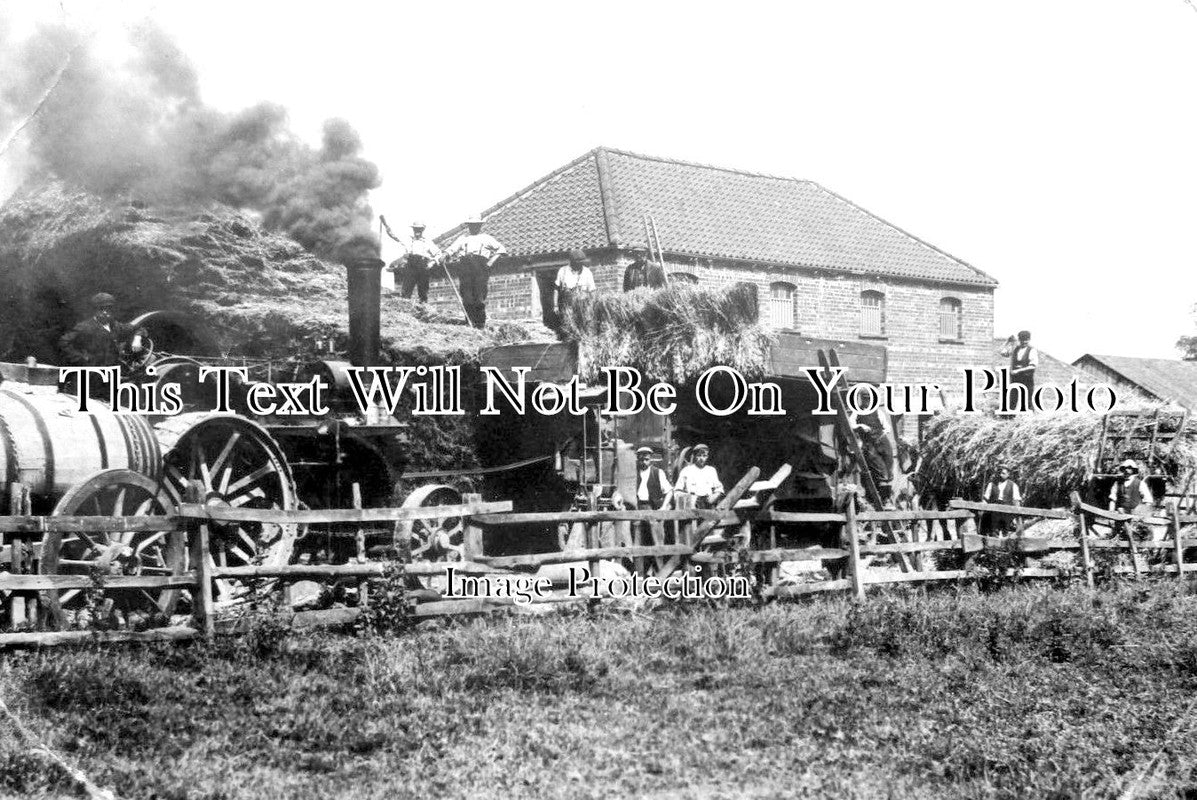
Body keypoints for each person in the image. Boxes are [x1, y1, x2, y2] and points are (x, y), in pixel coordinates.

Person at [444, 214, 507, 328]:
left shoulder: (486, 238)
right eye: (471, 225)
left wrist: (491, 261)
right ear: (468, 226)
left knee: (479, 296)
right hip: (465, 266)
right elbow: (451, 249)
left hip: (480, 267)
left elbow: (501, 249)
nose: (474, 227)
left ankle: (480, 324)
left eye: (476, 225)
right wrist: (445, 255)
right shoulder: (463, 238)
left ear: (480, 225)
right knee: (467, 296)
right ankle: (469, 322)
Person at [58, 292, 146, 367]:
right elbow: (64, 342)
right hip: (93, 373)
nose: (105, 312)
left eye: (108, 309)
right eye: (101, 309)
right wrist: (81, 358)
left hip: (113, 372)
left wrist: (137, 339)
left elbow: (139, 328)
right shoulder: (84, 327)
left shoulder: (116, 326)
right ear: (95, 310)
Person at [387, 221, 442, 303]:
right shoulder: (408, 240)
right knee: (406, 290)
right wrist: (388, 230)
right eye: (415, 229)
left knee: (423, 291)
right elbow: (395, 237)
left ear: (423, 230)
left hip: (423, 265)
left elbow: (438, 253)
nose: (417, 231)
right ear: (413, 229)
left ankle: (423, 309)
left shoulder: (427, 242)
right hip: (411, 265)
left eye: (419, 229)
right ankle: (405, 308)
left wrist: (432, 263)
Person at [674, 444, 724, 509]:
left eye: (704, 456)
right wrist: (691, 500)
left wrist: (715, 495)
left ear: (707, 456)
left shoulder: (711, 470)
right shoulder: (686, 470)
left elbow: (719, 488)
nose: (701, 459)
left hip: (707, 505)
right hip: (692, 505)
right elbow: (677, 491)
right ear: (694, 456)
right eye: (699, 455)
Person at [554, 248, 597, 317]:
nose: (580, 265)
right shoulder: (563, 271)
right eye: (578, 263)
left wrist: (593, 307)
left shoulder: (587, 272)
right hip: (567, 309)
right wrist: (555, 305)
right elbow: (556, 289)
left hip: (584, 309)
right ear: (572, 262)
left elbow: (592, 291)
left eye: (581, 263)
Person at [982, 463, 1022, 534]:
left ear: (1008, 474)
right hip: (993, 511)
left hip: (1007, 512)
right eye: (999, 473)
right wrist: (982, 509)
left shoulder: (1013, 485)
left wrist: (1016, 515)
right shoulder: (991, 484)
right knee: (989, 524)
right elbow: (985, 500)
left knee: (1006, 530)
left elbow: (1016, 501)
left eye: (1003, 473)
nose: (1000, 475)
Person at [633, 445, 673, 511]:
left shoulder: (658, 472)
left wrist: (663, 507)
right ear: (637, 459)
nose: (644, 462)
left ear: (650, 459)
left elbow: (669, 491)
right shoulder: (634, 474)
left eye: (646, 459)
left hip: (653, 508)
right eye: (641, 460)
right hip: (637, 508)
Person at [1008, 330, 1038, 412]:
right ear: (1019, 340)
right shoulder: (1016, 349)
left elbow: (1033, 366)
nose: (1025, 342)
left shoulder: (1032, 350)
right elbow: (1003, 353)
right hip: (1016, 378)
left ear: (1029, 339)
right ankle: (1009, 416)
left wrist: (1018, 371)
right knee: (1013, 397)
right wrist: (1008, 342)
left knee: (1028, 398)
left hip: (1027, 378)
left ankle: (1030, 418)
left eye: (1027, 340)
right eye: (1022, 340)